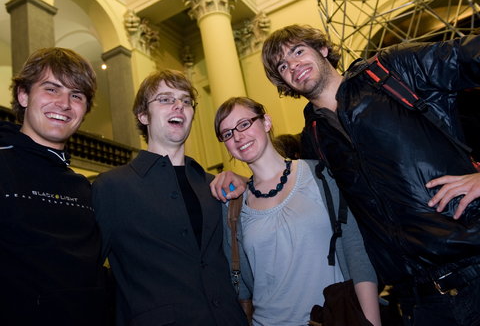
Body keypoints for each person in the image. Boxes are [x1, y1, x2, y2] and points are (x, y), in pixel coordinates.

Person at [255, 24, 480, 325]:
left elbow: (471, 56)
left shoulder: (391, 71)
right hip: (418, 302)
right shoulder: (314, 139)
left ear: (322, 50)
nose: (293, 66)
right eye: (283, 65)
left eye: (298, 51)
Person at [92, 70, 248, 326]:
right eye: (165, 99)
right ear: (143, 115)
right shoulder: (112, 187)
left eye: (186, 101)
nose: (179, 106)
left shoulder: (214, 184)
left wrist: (247, 182)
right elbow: (90, 275)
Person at [214, 96, 380, 326]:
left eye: (244, 124)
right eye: (228, 133)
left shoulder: (320, 175)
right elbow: (242, 285)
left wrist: (370, 321)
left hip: (335, 317)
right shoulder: (233, 205)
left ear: (266, 122)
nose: (238, 136)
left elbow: (356, 252)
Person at [0, 47, 106, 325]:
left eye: (76, 95)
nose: (64, 103)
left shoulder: (84, 188)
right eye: (51, 89)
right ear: (23, 95)